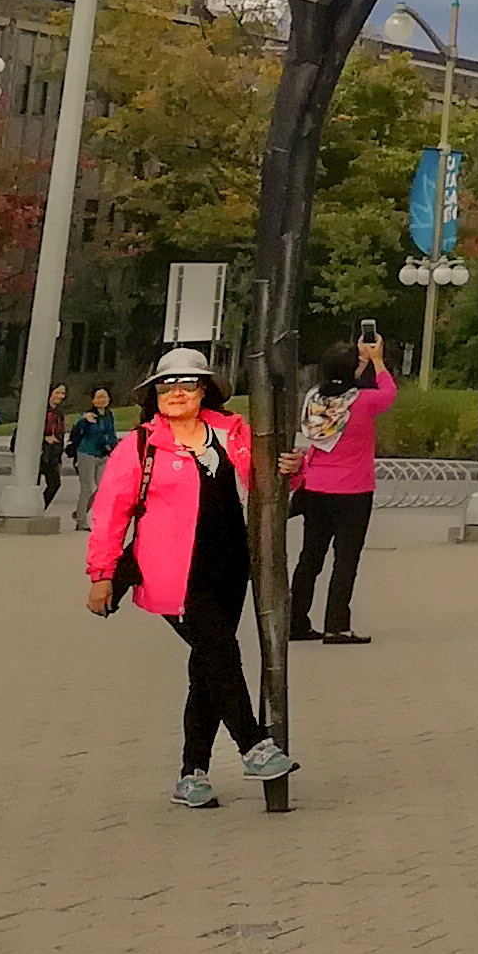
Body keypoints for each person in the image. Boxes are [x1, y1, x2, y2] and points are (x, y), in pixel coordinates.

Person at [83, 345, 295, 808]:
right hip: (170, 574)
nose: (176, 392)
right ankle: (253, 746)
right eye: (166, 384)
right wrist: (102, 574)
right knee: (220, 652)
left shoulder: (232, 431)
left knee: (206, 666)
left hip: (230, 566)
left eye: (187, 384)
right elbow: (109, 513)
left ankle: (191, 774)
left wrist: (291, 469)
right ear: (153, 392)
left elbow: (268, 482)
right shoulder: (139, 444)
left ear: (206, 390)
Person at [282, 329, 397, 645]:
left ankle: (295, 621)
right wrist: (377, 360)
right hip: (353, 493)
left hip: (315, 489)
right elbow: (388, 392)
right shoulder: (364, 402)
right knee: (345, 560)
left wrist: (361, 362)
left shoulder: (314, 401)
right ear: (354, 370)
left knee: (310, 558)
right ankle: (336, 626)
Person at [68, 388, 119, 531]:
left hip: (103, 455)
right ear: (93, 400)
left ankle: (80, 512)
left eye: (105, 396)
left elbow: (111, 433)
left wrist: (115, 449)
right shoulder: (86, 417)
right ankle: (81, 521)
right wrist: (84, 420)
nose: (102, 399)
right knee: (87, 488)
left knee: (102, 488)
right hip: (87, 453)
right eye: (98, 397)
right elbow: (77, 432)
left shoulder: (109, 415)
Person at [38, 385, 71, 512]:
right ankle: (32, 506)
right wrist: (44, 438)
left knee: (54, 483)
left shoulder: (58, 413)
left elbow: (60, 433)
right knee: (33, 483)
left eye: (63, 393)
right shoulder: (41, 410)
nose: (60, 396)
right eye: (57, 393)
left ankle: (40, 508)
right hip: (39, 452)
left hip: (53, 453)